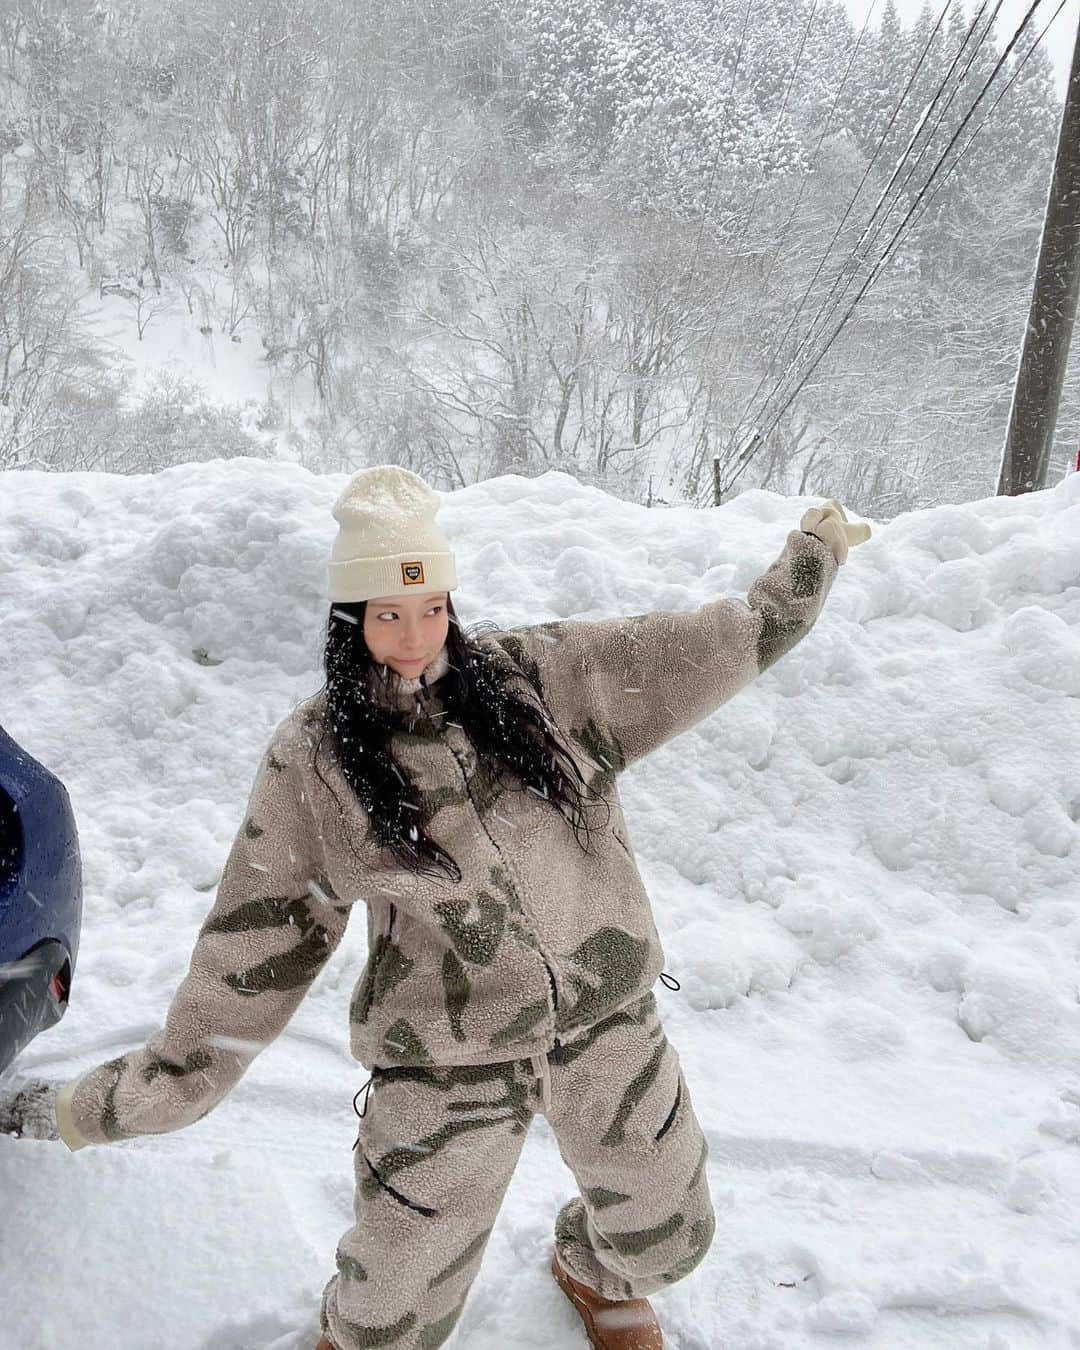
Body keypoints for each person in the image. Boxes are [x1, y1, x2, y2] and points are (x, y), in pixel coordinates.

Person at [3, 467, 870, 1349]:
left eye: (429, 608)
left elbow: (706, 648)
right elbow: (250, 953)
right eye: (387, 614)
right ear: (352, 622)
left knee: (669, 1236)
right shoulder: (315, 761)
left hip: (605, 1019)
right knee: (389, 1320)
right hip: (446, 1061)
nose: (415, 636)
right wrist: (107, 1104)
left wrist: (809, 562)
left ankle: (592, 1271)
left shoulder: (545, 681)